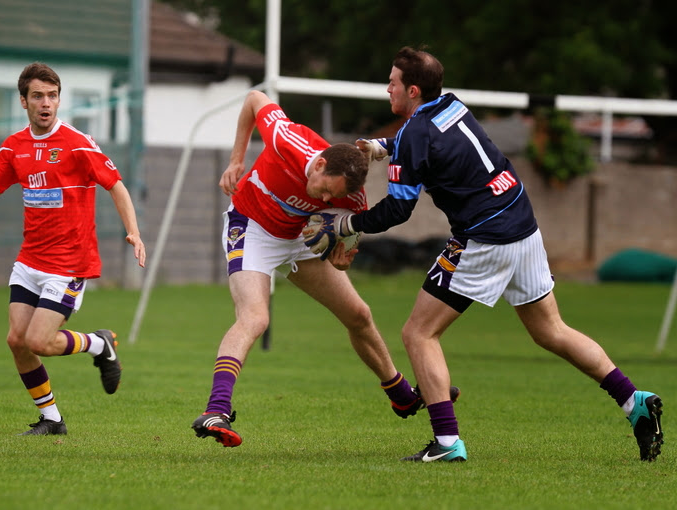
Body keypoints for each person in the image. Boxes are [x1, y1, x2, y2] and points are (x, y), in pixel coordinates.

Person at [303, 46, 663, 462]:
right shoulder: (452, 105)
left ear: (413, 90)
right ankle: (632, 400)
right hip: (522, 223)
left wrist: (343, 226)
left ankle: (446, 442)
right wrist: (384, 145)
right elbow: (429, 141)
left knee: (418, 333)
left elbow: (398, 210)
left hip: (484, 237)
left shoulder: (414, 136)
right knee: (551, 330)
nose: (388, 88)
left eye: (393, 82)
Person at [191, 89, 458, 448]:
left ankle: (401, 395)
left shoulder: (351, 196)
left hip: (298, 238)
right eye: (326, 191)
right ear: (318, 165)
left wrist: (340, 255)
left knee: (359, 314)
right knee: (255, 317)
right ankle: (216, 410)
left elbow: (341, 250)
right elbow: (255, 98)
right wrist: (236, 160)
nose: (328, 201)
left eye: (334, 198)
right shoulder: (287, 139)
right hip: (251, 227)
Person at [0, 62, 146, 436]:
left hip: (69, 263)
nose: (46, 103)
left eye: (52, 96)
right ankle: (52, 420)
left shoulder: (78, 144)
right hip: (30, 260)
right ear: (24, 101)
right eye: (38, 96)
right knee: (17, 341)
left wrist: (133, 231)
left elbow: (116, 185)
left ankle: (99, 344)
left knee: (39, 340)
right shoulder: (14, 147)